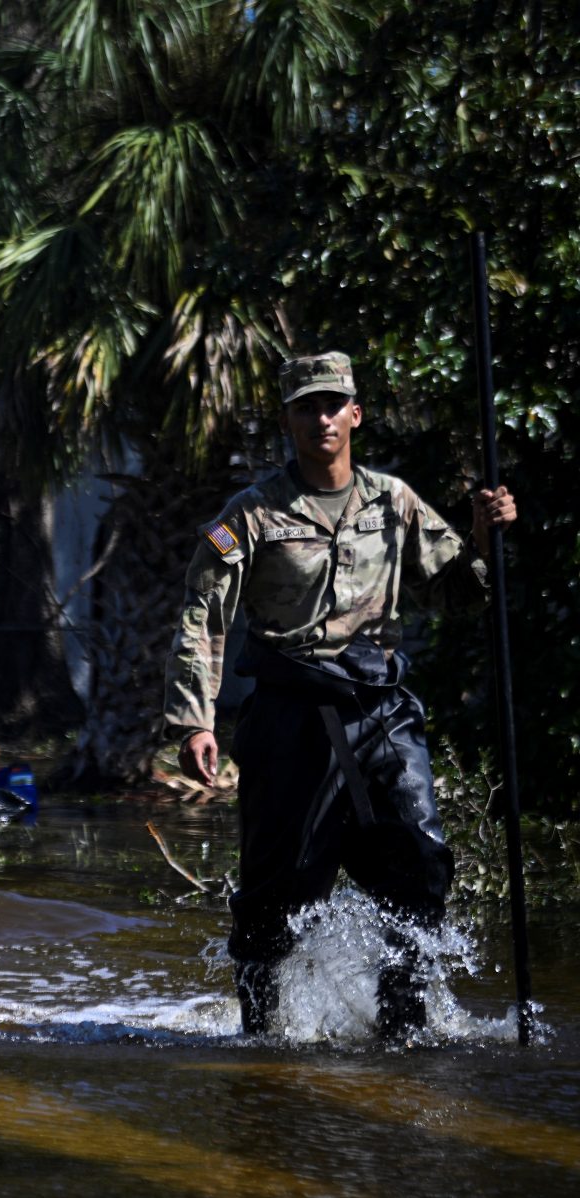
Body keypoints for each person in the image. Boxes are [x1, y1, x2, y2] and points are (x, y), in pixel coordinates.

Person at [163, 351, 517, 1038]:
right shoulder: (255, 514)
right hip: (291, 714)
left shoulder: (394, 502)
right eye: (306, 406)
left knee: (420, 866)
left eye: (333, 404)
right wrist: (194, 721)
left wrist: (483, 536)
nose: (322, 417)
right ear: (288, 419)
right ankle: (264, 1036)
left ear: (355, 413)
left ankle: (404, 1030)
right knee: (279, 891)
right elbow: (202, 615)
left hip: (381, 712)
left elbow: (460, 596)